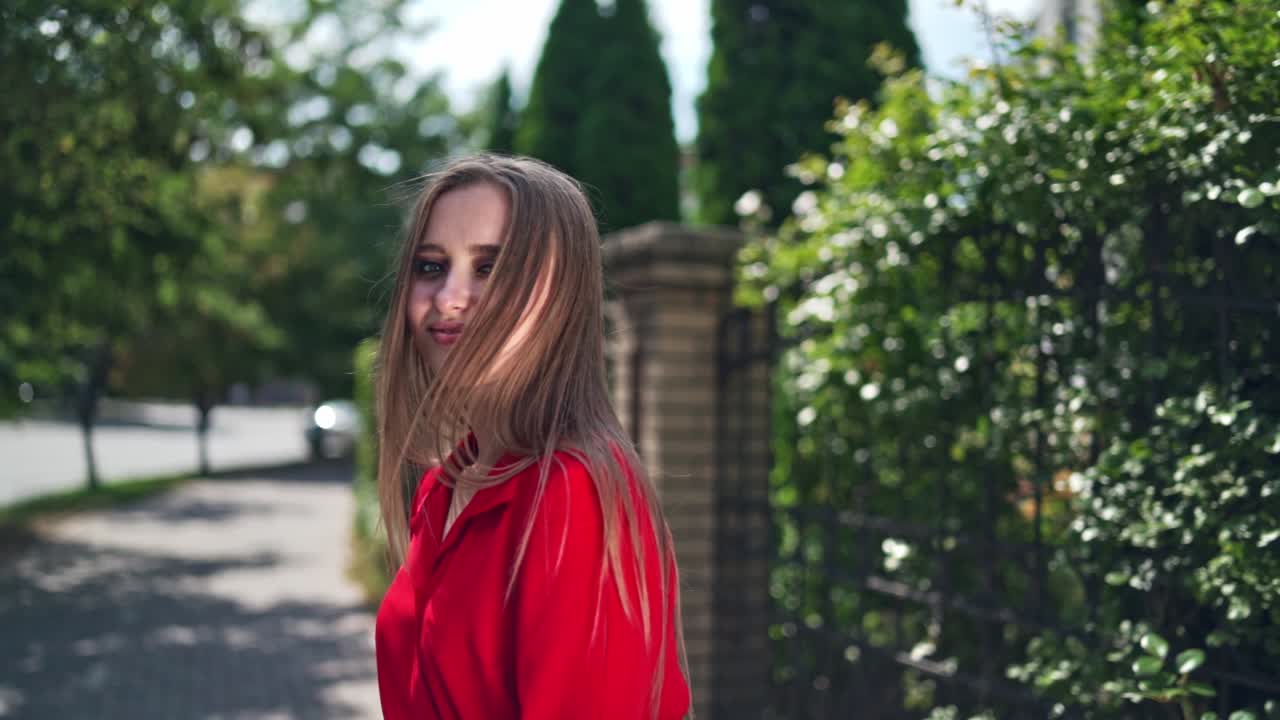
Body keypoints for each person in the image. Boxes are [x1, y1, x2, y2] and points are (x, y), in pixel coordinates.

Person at [371, 154, 692, 720]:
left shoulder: (572, 496)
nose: (450, 296)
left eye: (491, 268)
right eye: (430, 266)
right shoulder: (447, 484)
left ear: (557, 299)